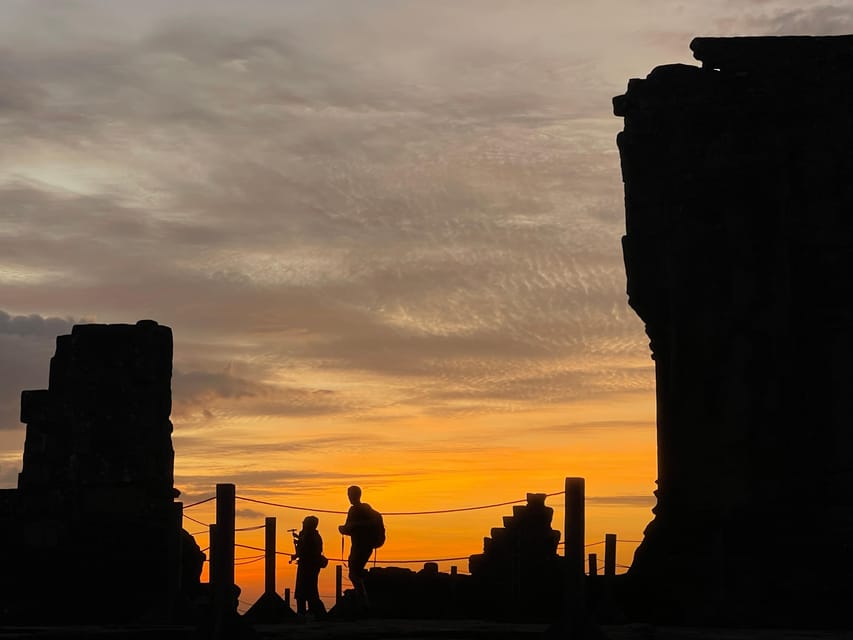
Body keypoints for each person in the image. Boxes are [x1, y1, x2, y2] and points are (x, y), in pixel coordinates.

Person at [338, 485, 383, 604]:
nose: (349, 497)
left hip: (359, 547)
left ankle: (362, 601)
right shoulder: (369, 511)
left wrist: (342, 529)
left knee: (354, 573)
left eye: (350, 495)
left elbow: (349, 528)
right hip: (366, 546)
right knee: (356, 571)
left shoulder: (354, 510)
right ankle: (363, 599)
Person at [291, 515, 327, 618]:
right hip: (309, 566)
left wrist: (298, 547)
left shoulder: (310, 536)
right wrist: (299, 540)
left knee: (306, 592)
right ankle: (314, 614)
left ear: (308, 525)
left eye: (304, 523)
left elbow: (307, 551)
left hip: (308, 567)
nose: (302, 524)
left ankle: (309, 614)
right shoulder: (312, 536)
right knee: (309, 591)